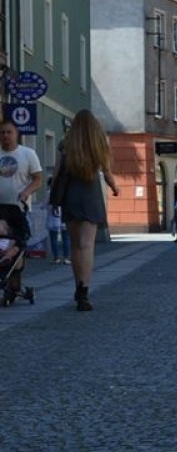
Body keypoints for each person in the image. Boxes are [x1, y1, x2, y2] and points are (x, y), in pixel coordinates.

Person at [55, 109, 120, 312]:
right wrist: (115, 188)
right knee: (87, 245)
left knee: (75, 246)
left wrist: (55, 196)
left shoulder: (65, 144)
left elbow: (57, 173)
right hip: (91, 197)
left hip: (71, 197)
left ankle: (77, 285)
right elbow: (107, 173)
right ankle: (84, 290)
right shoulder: (99, 144)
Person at [0, 119, 43, 210]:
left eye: (9, 132)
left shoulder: (28, 153)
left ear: (16, 133)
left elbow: (38, 180)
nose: (5, 135)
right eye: (2, 132)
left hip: (20, 208)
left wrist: (26, 192)